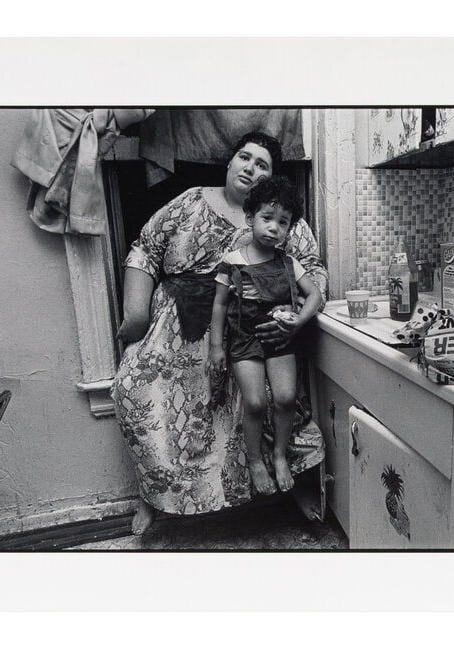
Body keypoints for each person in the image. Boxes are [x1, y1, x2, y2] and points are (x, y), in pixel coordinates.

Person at [112, 132, 328, 535]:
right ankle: (155, 497)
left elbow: (311, 270)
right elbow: (145, 248)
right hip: (179, 329)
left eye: (262, 164)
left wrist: (291, 314)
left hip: (256, 332)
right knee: (134, 390)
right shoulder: (191, 200)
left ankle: (292, 480)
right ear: (228, 163)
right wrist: (135, 314)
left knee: (277, 399)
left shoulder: (278, 217)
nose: (251, 168)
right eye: (244, 157)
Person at [207, 176, 323, 495]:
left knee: (286, 399)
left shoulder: (289, 263)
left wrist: (298, 322)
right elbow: (218, 305)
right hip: (244, 339)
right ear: (250, 218)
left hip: (282, 338)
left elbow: (314, 295)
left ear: (289, 229)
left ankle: (279, 455)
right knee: (255, 403)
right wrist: (216, 347)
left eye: (282, 222)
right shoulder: (232, 262)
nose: (274, 228)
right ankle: (256, 460)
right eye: (267, 218)